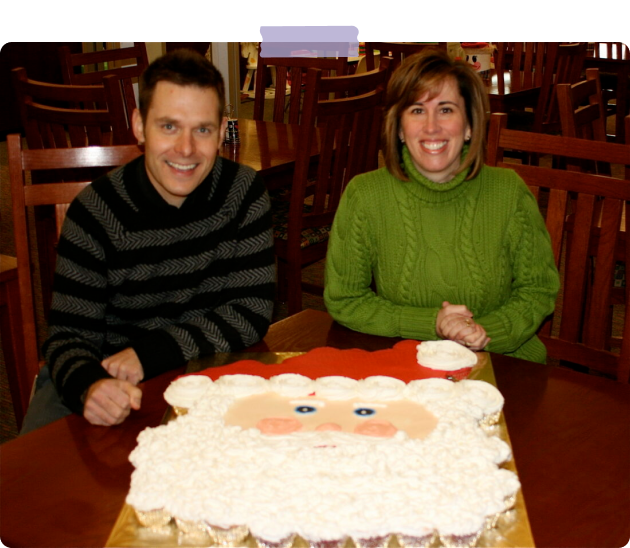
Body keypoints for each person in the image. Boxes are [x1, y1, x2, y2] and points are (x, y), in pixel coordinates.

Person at [21, 50, 275, 433]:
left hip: (207, 377)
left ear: (222, 131)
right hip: (111, 383)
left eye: (202, 129)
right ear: (140, 127)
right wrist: (90, 386)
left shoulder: (243, 192)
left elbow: (252, 311)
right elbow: (68, 338)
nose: (186, 149)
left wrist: (150, 353)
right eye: (168, 127)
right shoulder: (96, 213)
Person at [324, 50, 559, 363]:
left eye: (446, 109)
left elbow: (538, 290)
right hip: (409, 366)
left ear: (470, 126)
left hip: (505, 364)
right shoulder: (365, 195)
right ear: (398, 128)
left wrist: (482, 333)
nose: (431, 127)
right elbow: (346, 300)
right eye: (417, 110)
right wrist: (434, 324)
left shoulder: (508, 191)